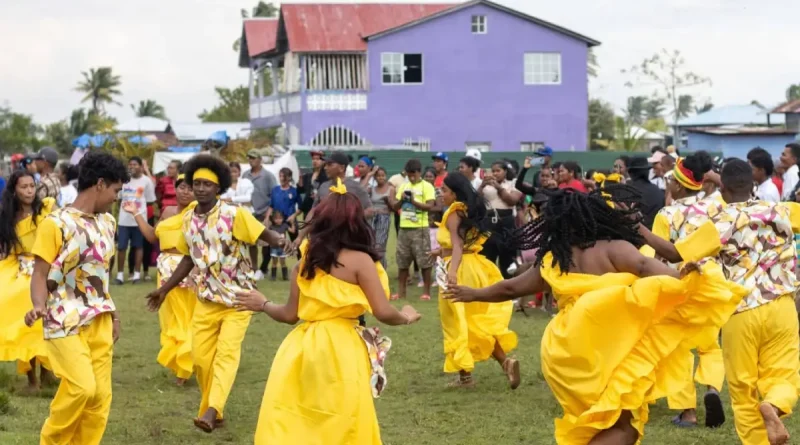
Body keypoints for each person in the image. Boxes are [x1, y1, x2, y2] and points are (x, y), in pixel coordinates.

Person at [447, 185, 747, 445]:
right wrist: (682, 275)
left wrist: (472, 294)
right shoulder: (615, 248)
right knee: (625, 427)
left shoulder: (555, 258)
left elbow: (510, 288)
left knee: (603, 422)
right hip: (603, 345)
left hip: (563, 350)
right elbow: (647, 269)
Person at [235, 178, 421, 444]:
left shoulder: (306, 262)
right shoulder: (360, 261)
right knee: (345, 418)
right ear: (356, 222)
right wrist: (406, 316)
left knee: (302, 419)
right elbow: (382, 311)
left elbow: (290, 315)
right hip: (341, 347)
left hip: (302, 348)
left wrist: (263, 303)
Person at [641, 159, 800, 445]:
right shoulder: (782, 210)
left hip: (742, 312)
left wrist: (638, 229)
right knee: (785, 376)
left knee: (743, 389)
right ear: (753, 184)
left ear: (722, 189)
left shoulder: (720, 223)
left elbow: (675, 253)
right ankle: (774, 405)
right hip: (783, 307)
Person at [145, 154, 285, 433]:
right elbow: (188, 260)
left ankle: (211, 410)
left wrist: (283, 239)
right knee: (200, 359)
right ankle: (215, 410)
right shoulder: (188, 221)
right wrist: (163, 289)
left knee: (226, 355)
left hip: (239, 300)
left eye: (206, 184)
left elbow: (263, 235)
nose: (199, 188)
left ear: (218, 187)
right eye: (195, 183)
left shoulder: (234, 214)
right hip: (206, 300)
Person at [26, 151, 128, 445]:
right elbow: (39, 273)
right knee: (82, 387)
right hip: (63, 317)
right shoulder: (55, 223)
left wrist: (115, 315)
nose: (115, 198)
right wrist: (38, 305)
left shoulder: (108, 222)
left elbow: (100, 275)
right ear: (99, 184)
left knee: (99, 399)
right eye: (115, 190)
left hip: (100, 318)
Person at [641, 151, 726, 428]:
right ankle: (713, 389)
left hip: (679, 284)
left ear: (677, 185)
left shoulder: (666, 214)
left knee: (677, 350)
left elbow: (658, 256)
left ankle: (687, 412)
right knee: (710, 346)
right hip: (712, 283)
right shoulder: (716, 206)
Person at [434, 172, 518, 388]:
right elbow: (459, 244)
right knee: (474, 321)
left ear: (454, 193)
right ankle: (505, 363)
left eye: (444, 190)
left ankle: (466, 378)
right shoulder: (466, 211)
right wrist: (439, 252)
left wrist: (452, 273)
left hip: (460, 269)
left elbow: (458, 247)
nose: (440, 193)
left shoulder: (454, 214)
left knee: (457, 322)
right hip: (475, 267)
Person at [123, 173, 197, 386]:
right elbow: (153, 236)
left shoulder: (200, 213)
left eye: (190, 187)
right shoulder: (167, 211)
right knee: (170, 320)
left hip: (186, 269)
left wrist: (195, 271)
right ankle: (180, 364)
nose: (185, 191)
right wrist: (136, 213)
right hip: (164, 271)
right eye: (181, 186)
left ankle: (183, 371)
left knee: (186, 318)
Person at [0, 171, 55, 389]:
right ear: (15, 190)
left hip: (45, 267)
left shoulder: (46, 210)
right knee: (25, 318)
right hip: (19, 269)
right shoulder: (7, 217)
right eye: (24, 187)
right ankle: (32, 378)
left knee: (48, 319)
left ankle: (48, 371)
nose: (29, 191)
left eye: (32, 186)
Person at [388, 159, 436, 300]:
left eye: (413, 174)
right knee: (402, 261)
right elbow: (395, 207)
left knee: (424, 261)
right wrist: (402, 200)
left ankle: (426, 292)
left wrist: (414, 201)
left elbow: (430, 206)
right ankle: (401, 292)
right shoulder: (403, 186)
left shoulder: (426, 186)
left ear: (419, 172)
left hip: (420, 228)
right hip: (404, 228)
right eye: (409, 175)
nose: (411, 177)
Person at [478, 160, 523, 279]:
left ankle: (509, 287)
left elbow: (512, 201)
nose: (495, 173)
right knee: (487, 257)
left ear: (505, 171)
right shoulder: (485, 184)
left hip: (506, 223)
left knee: (507, 257)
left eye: (498, 171)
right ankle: (488, 288)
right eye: (493, 171)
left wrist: (499, 187)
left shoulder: (513, 183)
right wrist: (482, 185)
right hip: (489, 223)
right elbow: (476, 201)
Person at [116, 156, 156, 284]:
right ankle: (120, 275)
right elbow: (118, 198)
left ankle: (137, 275)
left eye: (134, 164)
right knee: (121, 247)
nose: (132, 167)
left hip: (139, 220)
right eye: (130, 164)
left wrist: (138, 210)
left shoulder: (146, 181)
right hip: (124, 220)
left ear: (141, 166)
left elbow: (150, 200)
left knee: (138, 246)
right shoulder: (124, 180)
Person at [242, 149, 277, 281]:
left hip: (263, 212)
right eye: (249, 158)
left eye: (253, 158)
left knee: (265, 242)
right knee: (251, 243)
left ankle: (263, 268)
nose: (251, 160)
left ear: (260, 160)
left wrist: (269, 215)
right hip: (249, 213)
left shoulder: (268, 176)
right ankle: (254, 268)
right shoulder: (245, 175)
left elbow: (274, 195)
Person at [266, 167, 301, 264]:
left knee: (296, 244)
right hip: (276, 222)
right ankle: (263, 269)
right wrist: (267, 218)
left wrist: (293, 216)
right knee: (271, 244)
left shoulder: (294, 191)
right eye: (280, 176)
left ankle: (302, 265)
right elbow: (271, 206)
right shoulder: (275, 190)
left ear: (289, 178)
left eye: (283, 176)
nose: (281, 178)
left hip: (290, 221)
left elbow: (301, 207)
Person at [626, 157, 665, 230]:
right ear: (647, 172)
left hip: (633, 236)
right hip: (657, 235)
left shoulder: (625, 192)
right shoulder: (659, 191)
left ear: (630, 173)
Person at [369, 167, 393, 269]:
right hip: (372, 218)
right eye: (378, 176)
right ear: (375, 177)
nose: (381, 178)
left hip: (384, 218)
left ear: (386, 176)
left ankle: (382, 268)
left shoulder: (391, 189)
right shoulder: (371, 189)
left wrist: (387, 201)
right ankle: (372, 267)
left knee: (380, 245)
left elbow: (393, 207)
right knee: (371, 244)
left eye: (383, 175)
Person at [297, 150, 327, 219]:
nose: (314, 161)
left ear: (323, 161)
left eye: (317, 159)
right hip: (307, 210)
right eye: (313, 159)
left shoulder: (326, 177)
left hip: (320, 211)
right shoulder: (307, 176)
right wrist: (300, 179)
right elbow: (301, 191)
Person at [267, 210, 295, 281]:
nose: (278, 220)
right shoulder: (271, 227)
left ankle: (285, 276)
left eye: (280, 218)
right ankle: (273, 276)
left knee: (283, 262)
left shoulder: (284, 225)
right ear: (273, 219)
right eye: (276, 218)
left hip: (283, 248)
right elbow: (268, 235)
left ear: (283, 218)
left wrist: (292, 223)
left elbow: (293, 231)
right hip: (274, 247)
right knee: (274, 262)